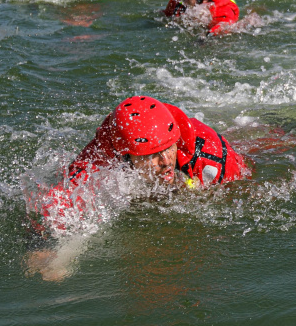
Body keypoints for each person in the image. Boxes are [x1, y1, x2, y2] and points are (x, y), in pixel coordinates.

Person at [39, 95, 250, 227]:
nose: (166, 161)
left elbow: (244, 189)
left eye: (169, 148)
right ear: (125, 155)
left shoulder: (211, 157)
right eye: (152, 155)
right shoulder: (105, 150)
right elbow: (60, 198)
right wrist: (41, 246)